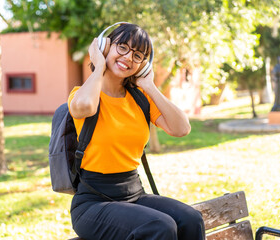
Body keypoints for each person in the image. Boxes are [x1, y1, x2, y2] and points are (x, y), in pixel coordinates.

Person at [68, 23, 205, 240]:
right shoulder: (81, 95)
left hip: (134, 194)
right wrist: (99, 64)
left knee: (191, 219)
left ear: (143, 64)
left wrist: (149, 86)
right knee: (160, 226)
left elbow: (182, 128)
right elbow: (86, 107)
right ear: (105, 47)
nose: (129, 57)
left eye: (138, 54)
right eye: (122, 47)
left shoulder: (140, 98)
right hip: (93, 203)